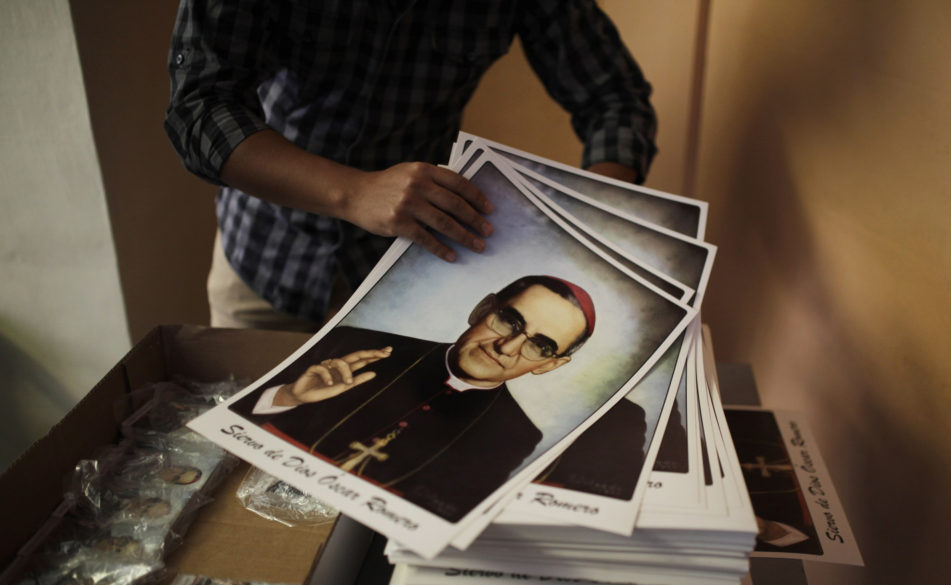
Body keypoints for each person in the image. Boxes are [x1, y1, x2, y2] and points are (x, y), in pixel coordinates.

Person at [164, 1, 657, 331]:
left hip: (413, 275)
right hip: (266, 255)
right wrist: (355, 192)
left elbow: (614, 97)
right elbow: (200, 108)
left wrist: (584, 228)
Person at [230, 275, 595, 522]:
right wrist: (290, 396)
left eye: (538, 345)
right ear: (483, 310)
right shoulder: (354, 342)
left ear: (549, 365)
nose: (507, 347)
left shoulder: (516, 436)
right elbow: (233, 422)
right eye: (509, 322)